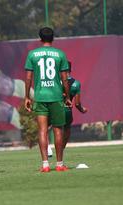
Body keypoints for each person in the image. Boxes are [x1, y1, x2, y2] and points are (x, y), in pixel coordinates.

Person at [24, 27, 71, 172]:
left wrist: (27, 96)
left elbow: (28, 78)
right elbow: (64, 78)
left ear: (39, 39)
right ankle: (59, 164)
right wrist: (67, 96)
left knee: (42, 130)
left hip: (40, 97)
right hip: (56, 96)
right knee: (58, 130)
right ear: (53, 39)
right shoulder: (60, 54)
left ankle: (45, 165)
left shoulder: (32, 54)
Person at [63, 61, 88, 149]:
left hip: (55, 110)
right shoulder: (76, 84)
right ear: (71, 69)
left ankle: (48, 149)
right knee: (66, 129)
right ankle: (61, 150)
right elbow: (77, 104)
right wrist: (82, 109)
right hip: (67, 110)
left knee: (47, 128)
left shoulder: (56, 82)